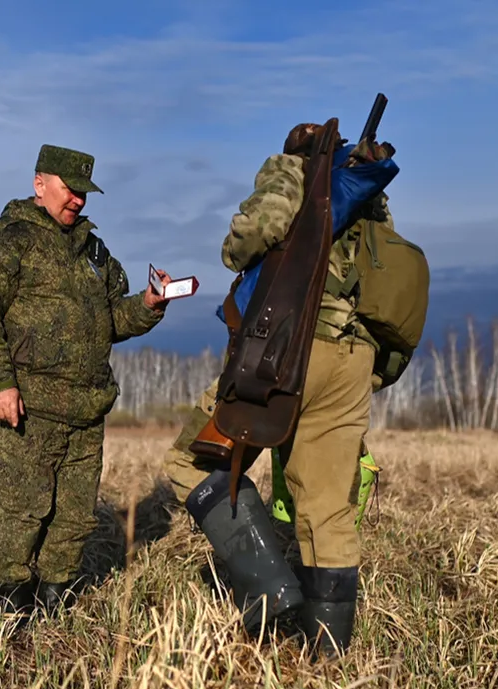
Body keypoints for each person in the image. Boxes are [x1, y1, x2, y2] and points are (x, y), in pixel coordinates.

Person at [162, 122, 407, 659]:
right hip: (354, 357)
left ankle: (272, 599)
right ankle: (326, 654)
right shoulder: (371, 201)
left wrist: (235, 242)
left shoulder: (295, 171)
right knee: (327, 507)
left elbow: (253, 235)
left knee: (191, 461)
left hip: (290, 349)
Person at [0, 144, 170, 618]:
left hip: (87, 409)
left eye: (85, 194)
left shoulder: (94, 250)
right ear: (40, 184)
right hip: (31, 407)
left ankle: (55, 604)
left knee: (74, 517)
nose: (79, 202)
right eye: (71, 191)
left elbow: (112, 317)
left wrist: (149, 305)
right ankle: (10, 609)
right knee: (22, 510)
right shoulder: (5, 240)